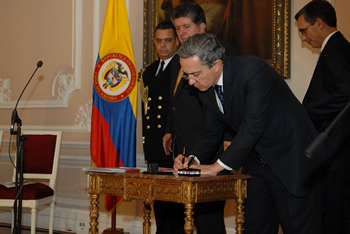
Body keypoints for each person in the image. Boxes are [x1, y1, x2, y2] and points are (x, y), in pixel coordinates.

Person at [174, 33, 324, 234]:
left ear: (217, 64)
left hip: (291, 158)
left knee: (297, 227)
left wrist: (215, 168)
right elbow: (211, 132)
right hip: (257, 160)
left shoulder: (253, 69)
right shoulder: (206, 86)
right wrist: (193, 161)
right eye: (187, 75)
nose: (190, 82)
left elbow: (253, 126)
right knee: (254, 226)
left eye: (195, 74)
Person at [162, 3, 237, 233]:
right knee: (178, 215)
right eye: (177, 28)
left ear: (202, 27)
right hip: (184, 147)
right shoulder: (180, 58)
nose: (181, 33)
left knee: (208, 218)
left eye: (186, 26)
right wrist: (169, 128)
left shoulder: (222, 52)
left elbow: (229, 100)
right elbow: (175, 100)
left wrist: (228, 136)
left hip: (211, 147)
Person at [295, 1, 350, 233]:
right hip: (339, 154)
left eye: (303, 31)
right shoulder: (337, 47)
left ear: (319, 23)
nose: (303, 39)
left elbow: (347, 91)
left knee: (335, 220)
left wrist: (305, 113)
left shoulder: (335, 48)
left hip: (337, 154)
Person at [139, 21, 183, 234]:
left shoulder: (183, 68)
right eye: (158, 41)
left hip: (174, 147)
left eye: (168, 40)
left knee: (175, 210)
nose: (163, 46)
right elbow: (146, 111)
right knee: (160, 206)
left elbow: (182, 110)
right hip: (156, 147)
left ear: (176, 41)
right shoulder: (148, 72)